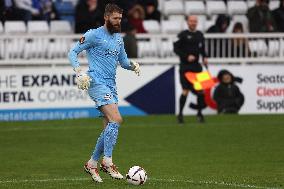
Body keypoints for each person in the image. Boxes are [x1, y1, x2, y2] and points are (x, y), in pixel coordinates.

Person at [68, 3, 140, 183]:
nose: (118, 22)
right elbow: (73, 51)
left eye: (120, 19)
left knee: (109, 126)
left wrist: (133, 66)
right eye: (115, 18)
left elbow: (123, 62)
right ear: (106, 17)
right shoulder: (93, 34)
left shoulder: (118, 38)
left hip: (111, 85)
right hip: (95, 82)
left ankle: (92, 163)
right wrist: (79, 71)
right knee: (117, 119)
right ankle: (107, 162)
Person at [173, 15, 208, 124]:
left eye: (195, 21)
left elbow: (202, 48)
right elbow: (175, 48)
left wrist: (205, 57)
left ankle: (199, 114)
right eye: (191, 21)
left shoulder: (200, 35)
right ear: (187, 22)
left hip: (197, 67)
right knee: (185, 91)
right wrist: (186, 56)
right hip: (185, 67)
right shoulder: (182, 35)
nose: (193, 23)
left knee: (200, 90)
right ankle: (180, 115)